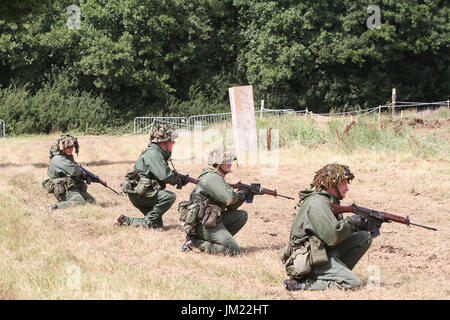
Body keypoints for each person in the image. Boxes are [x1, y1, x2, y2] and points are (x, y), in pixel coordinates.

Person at [280, 162, 374, 291]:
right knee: (353, 283)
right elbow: (332, 237)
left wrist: (359, 225)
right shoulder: (318, 203)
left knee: (364, 237)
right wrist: (351, 222)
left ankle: (337, 273)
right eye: (344, 183)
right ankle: (301, 285)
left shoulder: (326, 201)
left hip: (323, 251)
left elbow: (332, 234)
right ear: (332, 184)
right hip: (311, 259)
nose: (347, 188)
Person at [117, 124, 188, 230]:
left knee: (156, 225)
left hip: (144, 192)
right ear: (163, 141)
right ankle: (146, 223)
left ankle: (127, 221)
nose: (173, 142)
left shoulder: (157, 153)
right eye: (171, 140)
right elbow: (164, 176)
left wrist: (178, 178)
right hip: (141, 194)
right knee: (169, 196)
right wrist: (177, 180)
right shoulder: (153, 154)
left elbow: (162, 173)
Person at [179, 147, 249, 255]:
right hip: (203, 223)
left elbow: (231, 207)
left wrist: (244, 196)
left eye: (231, 161)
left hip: (212, 219)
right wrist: (241, 194)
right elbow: (230, 198)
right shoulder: (212, 177)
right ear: (219, 163)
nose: (230, 164)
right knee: (233, 250)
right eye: (227, 161)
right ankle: (196, 243)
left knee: (241, 216)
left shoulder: (217, 177)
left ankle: (215, 241)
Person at [42, 134, 96, 210]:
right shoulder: (58, 159)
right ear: (62, 147)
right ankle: (55, 207)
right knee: (80, 202)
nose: (70, 149)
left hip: (72, 186)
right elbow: (74, 171)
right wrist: (83, 173)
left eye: (72, 147)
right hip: (64, 189)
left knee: (91, 201)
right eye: (67, 147)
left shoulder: (67, 157)